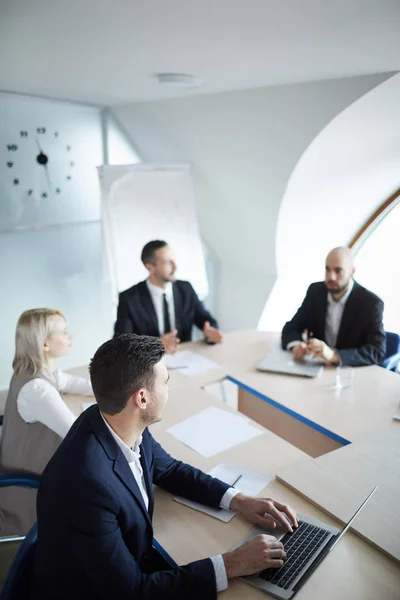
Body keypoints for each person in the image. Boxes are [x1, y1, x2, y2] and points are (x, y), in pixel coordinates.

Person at [33, 334, 298, 600]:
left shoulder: (113, 419)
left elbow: (169, 469)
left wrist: (239, 500)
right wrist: (231, 563)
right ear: (142, 399)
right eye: (166, 382)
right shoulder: (87, 485)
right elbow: (132, 592)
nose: (169, 389)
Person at [0, 308, 93, 535]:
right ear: (45, 344)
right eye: (63, 332)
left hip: (27, 469)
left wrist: (113, 391)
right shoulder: (37, 389)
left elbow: (67, 381)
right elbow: (78, 433)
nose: (70, 336)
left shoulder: (33, 370)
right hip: (28, 494)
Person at [114, 240, 223, 354]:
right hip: (148, 362)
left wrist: (210, 332)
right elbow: (121, 342)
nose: (175, 267)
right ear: (150, 267)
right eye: (167, 262)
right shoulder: (129, 298)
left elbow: (205, 319)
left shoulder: (186, 289)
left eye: (174, 261)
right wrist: (154, 344)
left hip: (184, 356)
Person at [281, 247, 385, 366]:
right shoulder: (315, 291)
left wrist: (334, 355)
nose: (331, 277)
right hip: (317, 367)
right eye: (327, 269)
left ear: (352, 271)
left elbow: (377, 352)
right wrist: (296, 345)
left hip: (351, 373)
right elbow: (292, 326)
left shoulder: (370, 303)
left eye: (338, 271)